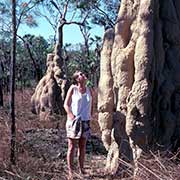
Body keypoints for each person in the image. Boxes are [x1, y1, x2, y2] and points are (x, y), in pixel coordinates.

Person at [63, 70, 93, 179]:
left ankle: (81, 169)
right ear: (76, 79)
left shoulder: (89, 90)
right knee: (71, 147)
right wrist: (70, 115)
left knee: (82, 146)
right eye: (81, 74)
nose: (84, 75)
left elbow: (91, 104)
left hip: (85, 121)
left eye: (84, 74)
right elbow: (66, 104)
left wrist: (90, 116)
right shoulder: (73, 89)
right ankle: (71, 172)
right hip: (74, 121)